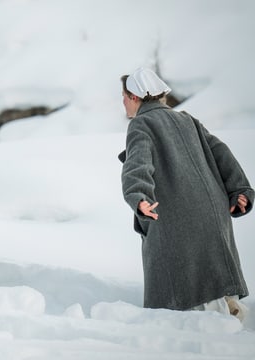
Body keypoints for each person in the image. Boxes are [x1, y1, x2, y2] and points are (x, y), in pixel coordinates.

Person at [119, 67, 253, 320]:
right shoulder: (187, 119)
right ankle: (228, 319)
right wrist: (239, 190)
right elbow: (221, 153)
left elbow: (138, 164)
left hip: (176, 220)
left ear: (135, 97)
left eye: (124, 97)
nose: (123, 102)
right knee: (216, 285)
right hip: (214, 215)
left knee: (183, 299)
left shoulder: (141, 125)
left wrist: (139, 198)